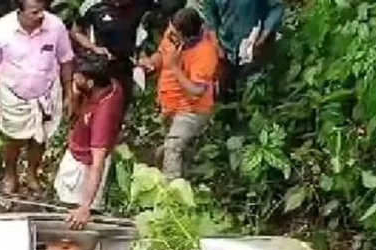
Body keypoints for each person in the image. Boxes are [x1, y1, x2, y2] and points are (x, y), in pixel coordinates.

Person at [0, 0, 75, 195]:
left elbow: (66, 60)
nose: (41, 16)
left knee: (40, 138)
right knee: (13, 138)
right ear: (19, 11)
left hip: (46, 93)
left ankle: (32, 173)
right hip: (13, 96)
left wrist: (69, 93)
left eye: (42, 10)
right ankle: (10, 173)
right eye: (34, 12)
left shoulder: (55, 26)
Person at [138, 6, 219, 179]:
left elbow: (197, 91)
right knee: (173, 151)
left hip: (192, 109)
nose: (170, 36)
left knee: (172, 147)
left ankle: (172, 197)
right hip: (170, 105)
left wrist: (175, 68)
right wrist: (149, 63)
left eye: (175, 34)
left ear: (186, 34)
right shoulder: (173, 33)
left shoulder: (205, 52)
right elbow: (162, 54)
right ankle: (185, 183)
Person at [53, 54, 125, 230]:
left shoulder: (103, 116)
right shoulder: (110, 85)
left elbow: (97, 162)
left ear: (90, 83)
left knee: (73, 215)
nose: (74, 79)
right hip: (78, 149)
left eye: (78, 77)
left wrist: (85, 206)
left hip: (84, 167)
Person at [71, 0, 155, 115]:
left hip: (126, 69)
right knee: (91, 113)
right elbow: (76, 32)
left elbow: (143, 35)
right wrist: (94, 48)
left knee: (117, 114)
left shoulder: (144, 5)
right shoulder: (92, 5)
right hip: (98, 67)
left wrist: (143, 58)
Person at [200, 0, 283, 94]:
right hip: (227, 47)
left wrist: (263, 38)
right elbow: (211, 20)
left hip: (254, 46)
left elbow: (276, 8)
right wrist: (217, 47)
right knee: (225, 92)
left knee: (254, 91)